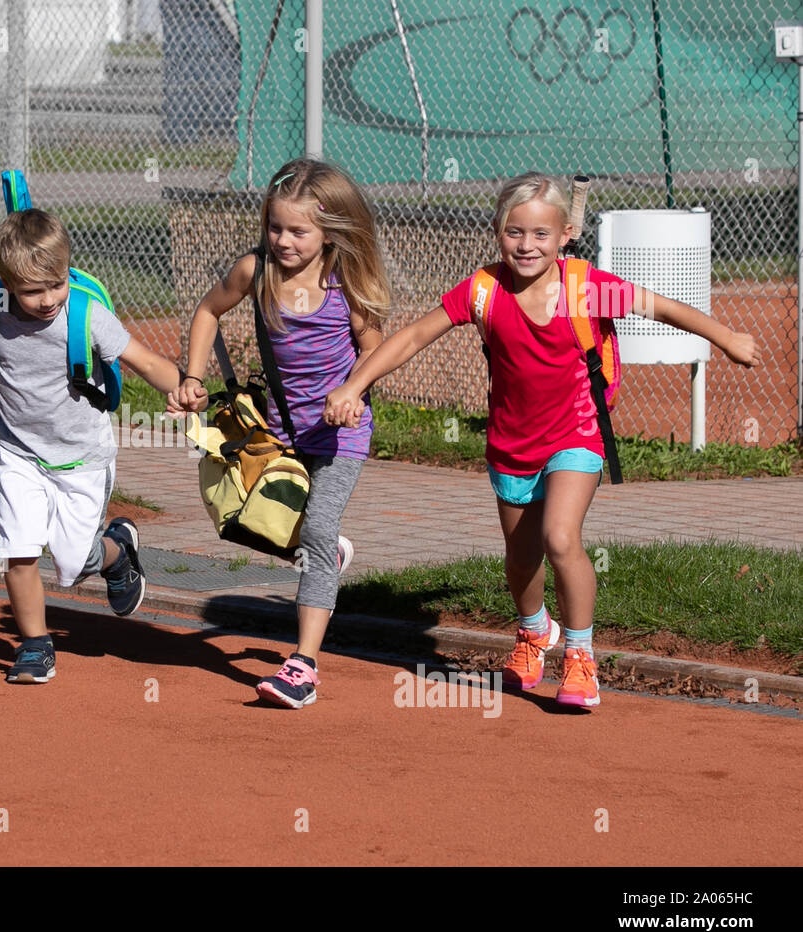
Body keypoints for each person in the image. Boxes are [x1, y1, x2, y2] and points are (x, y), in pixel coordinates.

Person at [324, 171, 761, 708]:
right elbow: (414, 335)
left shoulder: (587, 286)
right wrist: (354, 383)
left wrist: (725, 337)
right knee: (520, 558)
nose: (526, 245)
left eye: (540, 234)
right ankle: (534, 632)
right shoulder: (482, 290)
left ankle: (580, 656)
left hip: (577, 433)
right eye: (514, 232)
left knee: (560, 537)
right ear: (497, 231)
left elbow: (664, 307)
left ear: (564, 236)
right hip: (511, 443)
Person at [0, 208, 182, 684]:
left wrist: (181, 386)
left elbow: (146, 362)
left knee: (72, 561)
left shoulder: (87, 316)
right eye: (31, 290)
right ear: (6, 283)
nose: (47, 300)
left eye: (56, 283)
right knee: (18, 549)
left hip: (82, 458)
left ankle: (117, 551)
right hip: (19, 453)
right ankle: (35, 645)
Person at [168, 158, 391, 709]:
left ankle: (303, 665)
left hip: (341, 434)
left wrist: (354, 393)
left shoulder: (345, 278)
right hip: (280, 430)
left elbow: (375, 347)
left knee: (315, 529)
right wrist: (192, 376)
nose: (283, 240)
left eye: (299, 231)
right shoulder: (256, 270)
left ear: (330, 231)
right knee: (243, 517)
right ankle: (324, 550)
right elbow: (207, 311)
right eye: (275, 227)